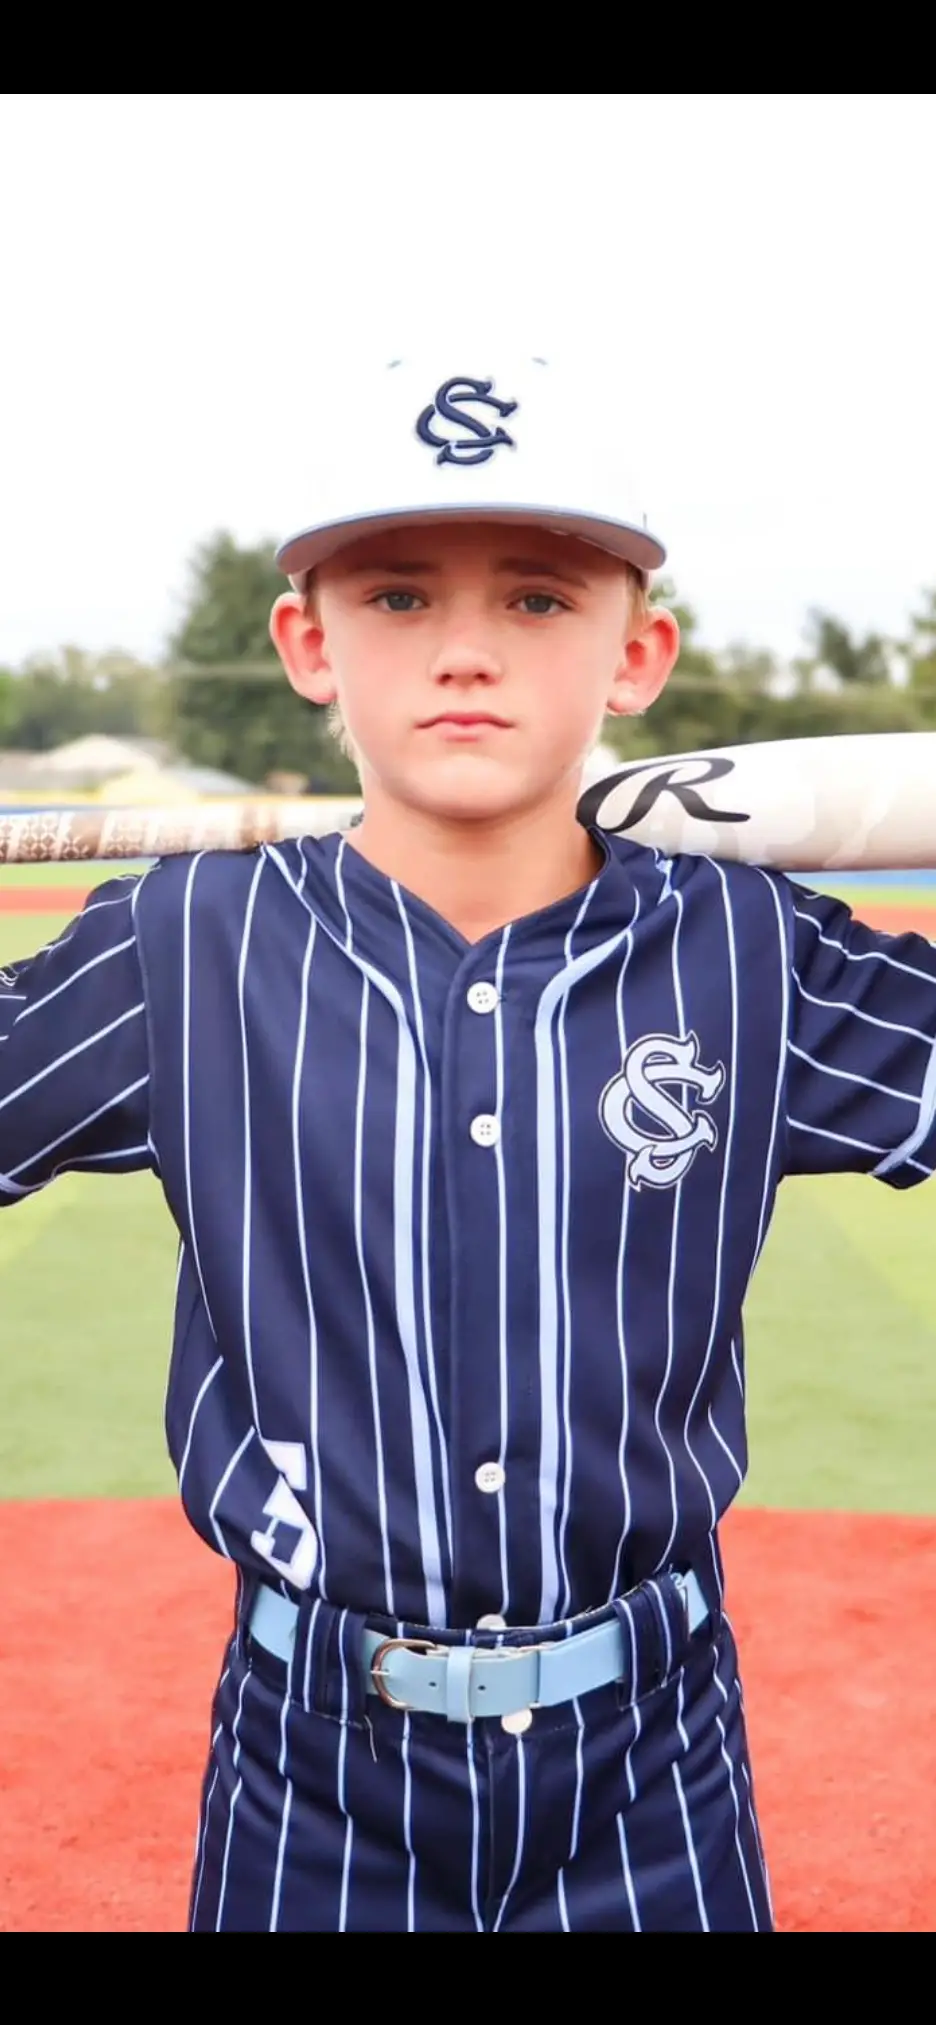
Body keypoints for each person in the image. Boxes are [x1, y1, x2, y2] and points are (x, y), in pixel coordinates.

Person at [3, 356, 936, 1933]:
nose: (464, 651)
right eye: (396, 595)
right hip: (312, 1762)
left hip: (652, 1757)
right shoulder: (183, 950)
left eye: (536, 598)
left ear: (637, 653)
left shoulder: (753, 954)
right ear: (310, 643)